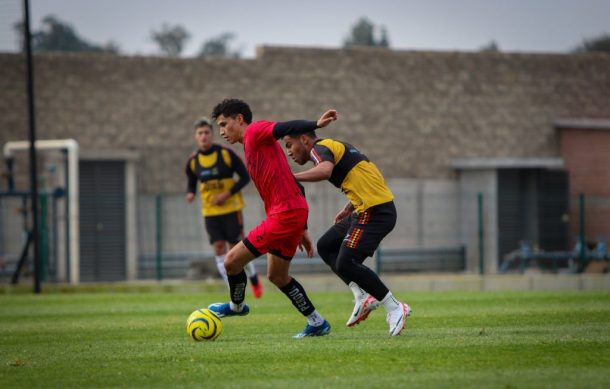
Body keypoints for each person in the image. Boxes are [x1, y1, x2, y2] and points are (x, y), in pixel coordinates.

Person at [207, 98, 334, 338]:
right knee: (277, 276)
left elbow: (285, 127)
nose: (222, 132)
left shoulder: (255, 131)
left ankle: (237, 306)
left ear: (239, 119)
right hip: (292, 213)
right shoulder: (253, 146)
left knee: (231, 262)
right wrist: (303, 228)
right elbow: (293, 181)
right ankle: (317, 322)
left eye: (224, 124)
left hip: (284, 215)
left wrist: (315, 124)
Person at [281, 117, 411, 337]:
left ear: (304, 139)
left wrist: (290, 177)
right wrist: (349, 207)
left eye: (289, 145)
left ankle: (394, 306)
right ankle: (361, 296)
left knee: (347, 261)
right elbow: (366, 177)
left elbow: (325, 171)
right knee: (326, 246)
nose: (289, 152)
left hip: (375, 211)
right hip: (365, 209)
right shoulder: (336, 146)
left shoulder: (319, 149)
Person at [185, 117, 263, 298]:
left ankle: (253, 279)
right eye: (200, 133)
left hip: (231, 209)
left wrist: (226, 194)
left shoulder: (226, 154)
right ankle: (232, 288)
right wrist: (190, 193)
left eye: (206, 132)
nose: (203, 136)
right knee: (219, 248)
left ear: (212, 134)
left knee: (236, 250)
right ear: (196, 137)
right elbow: (191, 182)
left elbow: (245, 177)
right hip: (210, 212)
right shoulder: (193, 161)